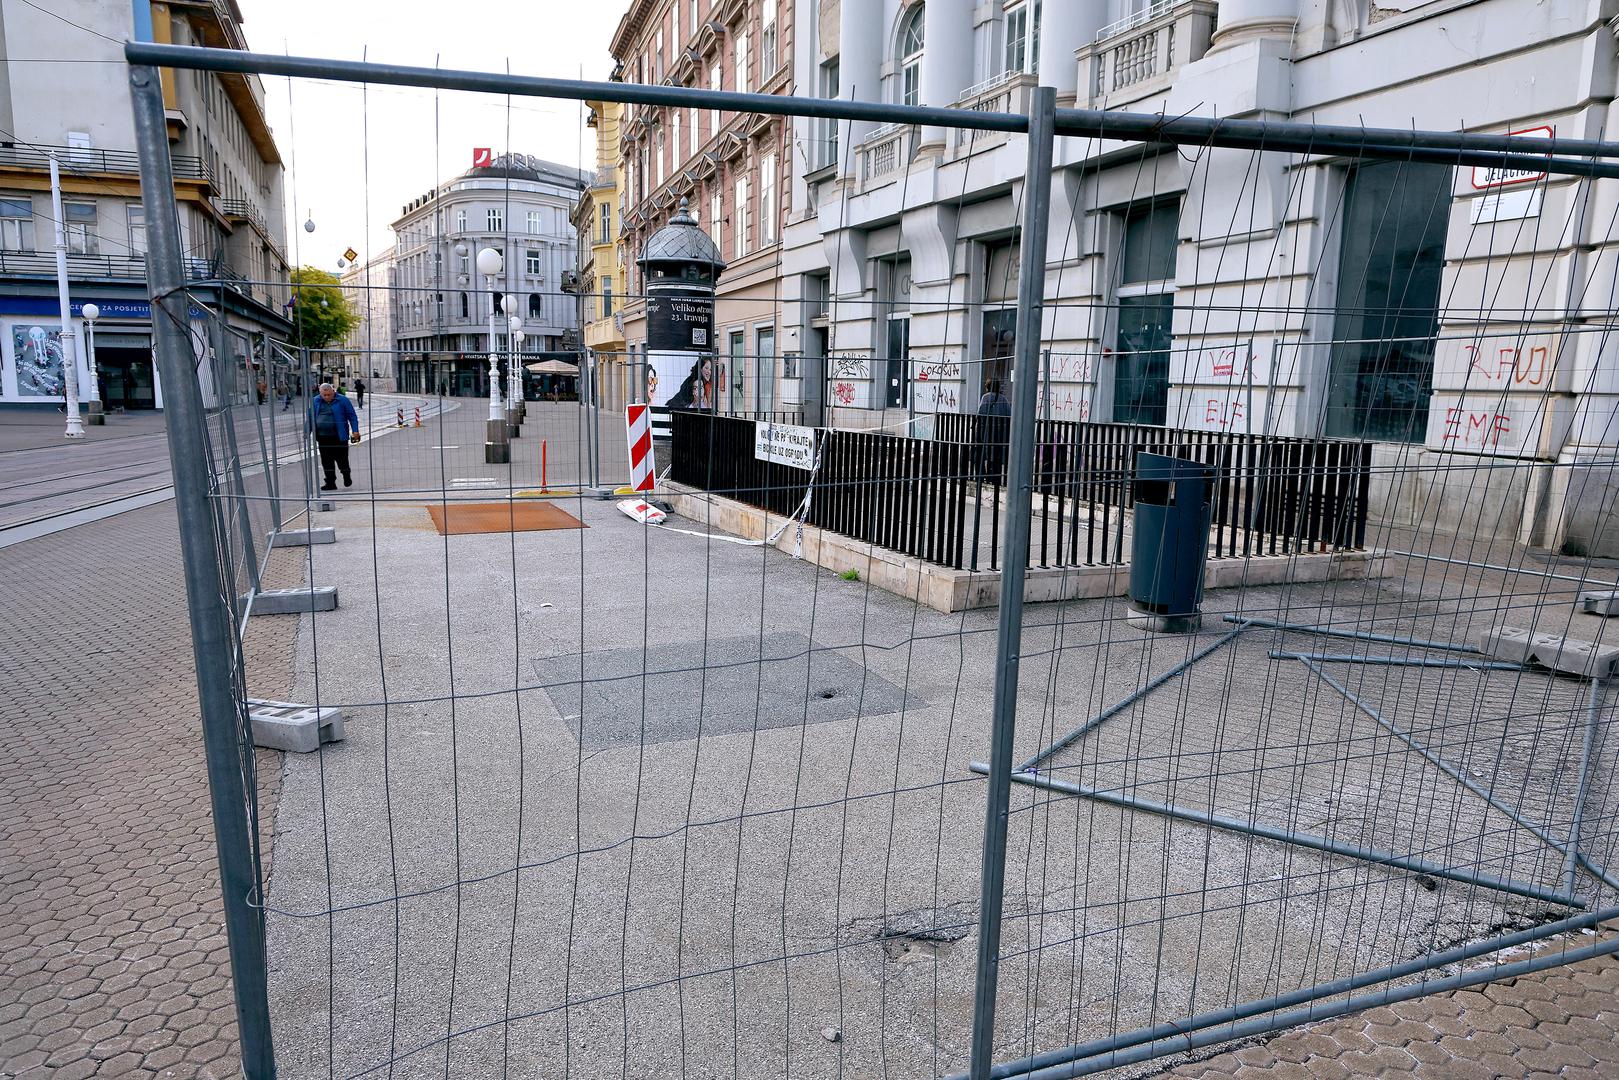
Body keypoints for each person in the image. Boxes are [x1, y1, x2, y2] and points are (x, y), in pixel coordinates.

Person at [306, 382, 359, 490]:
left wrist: (355, 431)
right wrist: (307, 432)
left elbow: (352, 416)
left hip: (339, 436)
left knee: (342, 459)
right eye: (324, 395)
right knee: (326, 461)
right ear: (320, 393)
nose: (326, 397)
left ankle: (346, 475)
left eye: (329, 394)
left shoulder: (342, 400)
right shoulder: (315, 401)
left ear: (333, 392)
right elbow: (310, 417)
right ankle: (330, 482)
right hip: (322, 437)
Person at [976, 377, 1011, 480]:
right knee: (996, 453)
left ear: (987, 386)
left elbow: (980, 413)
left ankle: (983, 475)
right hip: (1000, 432)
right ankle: (995, 475)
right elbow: (1009, 414)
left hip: (986, 430)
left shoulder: (985, 398)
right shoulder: (1003, 399)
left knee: (983, 452)